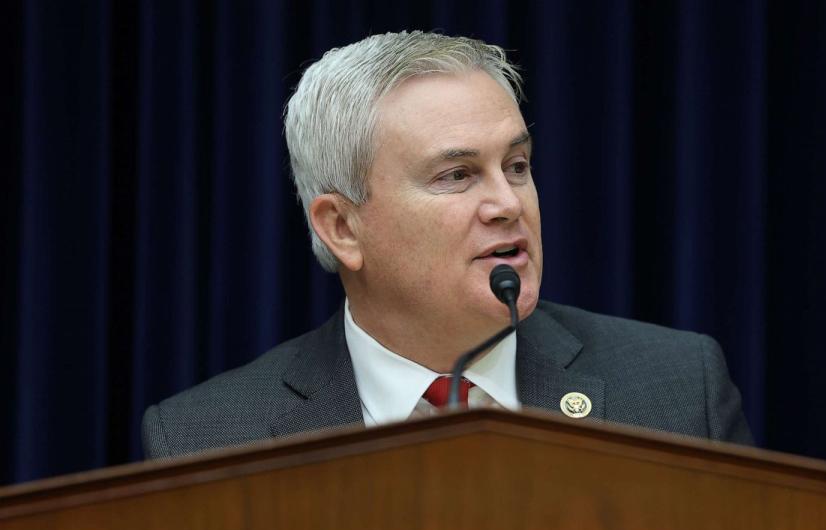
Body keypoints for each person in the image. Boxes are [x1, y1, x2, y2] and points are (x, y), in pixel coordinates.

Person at [142, 31, 753, 459]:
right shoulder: (210, 439)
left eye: (516, 165)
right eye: (456, 175)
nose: (508, 204)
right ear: (342, 228)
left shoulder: (673, 391)